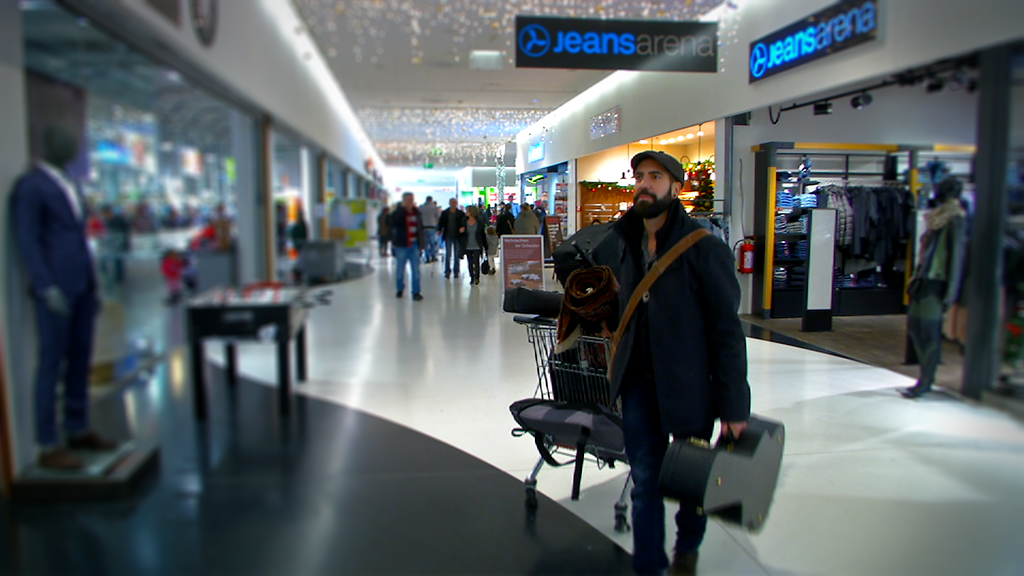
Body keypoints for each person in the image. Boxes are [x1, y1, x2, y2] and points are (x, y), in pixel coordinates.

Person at [591, 150, 750, 575]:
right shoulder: (623, 242)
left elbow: (727, 333)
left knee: (690, 482)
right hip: (639, 386)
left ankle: (688, 549)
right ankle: (649, 566)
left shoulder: (705, 249)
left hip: (690, 387)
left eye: (656, 176)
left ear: (676, 188)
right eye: (639, 176)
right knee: (645, 482)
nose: (645, 183)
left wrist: (735, 406)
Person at [11, 125, 116, 470]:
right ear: (48, 142)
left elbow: (78, 237)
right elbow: (29, 239)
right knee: (51, 362)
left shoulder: (71, 184)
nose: (71, 144)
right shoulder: (31, 186)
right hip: (56, 288)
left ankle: (77, 426)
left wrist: (92, 283)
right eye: (65, 138)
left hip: (82, 285)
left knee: (80, 358)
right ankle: (46, 442)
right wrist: (45, 285)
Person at [901, 177, 967, 399]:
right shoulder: (936, 219)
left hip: (937, 283)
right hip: (922, 281)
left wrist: (951, 293)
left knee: (928, 332)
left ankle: (926, 380)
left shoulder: (956, 219)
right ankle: (924, 377)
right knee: (915, 329)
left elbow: (957, 257)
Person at [389, 193, 425, 301]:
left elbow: (420, 229)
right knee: (400, 269)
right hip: (402, 245)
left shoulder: (417, 213)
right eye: (408, 200)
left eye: (412, 199)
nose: (410, 202)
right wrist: (402, 209)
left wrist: (422, 244)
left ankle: (416, 292)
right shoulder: (399, 213)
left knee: (416, 269)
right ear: (404, 201)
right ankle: (400, 289)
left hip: (414, 245)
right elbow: (393, 223)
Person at [438, 198, 467, 279]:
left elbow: (463, 223)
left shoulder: (460, 213)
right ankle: (447, 271)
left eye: (455, 202)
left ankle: (456, 271)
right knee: (448, 254)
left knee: (456, 255)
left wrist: (463, 228)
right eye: (452, 202)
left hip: (457, 236)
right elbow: (441, 222)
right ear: (449, 203)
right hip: (448, 236)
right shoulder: (445, 213)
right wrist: (440, 230)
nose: (454, 204)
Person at [462, 205, 488, 286]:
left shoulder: (479, 222)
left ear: (472, 212)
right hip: (467, 245)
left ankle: (477, 277)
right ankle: (471, 277)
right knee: (469, 262)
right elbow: (461, 234)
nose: (466, 212)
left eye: (468, 211)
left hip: (477, 244)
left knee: (476, 261)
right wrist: (461, 231)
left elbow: (482, 235)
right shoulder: (464, 221)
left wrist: (486, 246)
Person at [420, 195, 441, 263]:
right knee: (433, 243)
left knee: (426, 243)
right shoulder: (435, 208)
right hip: (432, 227)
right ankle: (433, 256)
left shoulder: (421, 208)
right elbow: (439, 217)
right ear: (431, 200)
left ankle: (427, 256)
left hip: (423, 228)